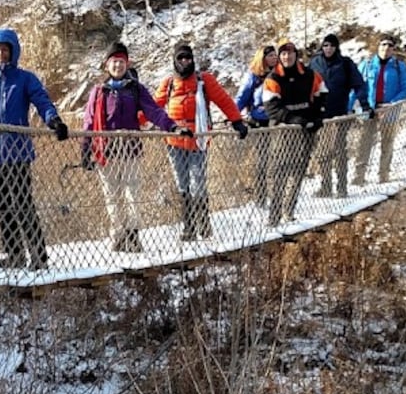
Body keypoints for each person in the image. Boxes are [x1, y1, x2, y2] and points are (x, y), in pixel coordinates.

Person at [0, 27, 68, 270]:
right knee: (3, 207)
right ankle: (14, 254)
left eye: (4, 50)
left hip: (18, 153)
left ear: (13, 53)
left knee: (24, 204)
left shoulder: (25, 79)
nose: (0, 54)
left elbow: (42, 102)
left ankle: (38, 256)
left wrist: (54, 120)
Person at [80, 42, 182, 253]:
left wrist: (171, 126)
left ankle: (133, 236)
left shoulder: (135, 89)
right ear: (107, 65)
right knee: (112, 196)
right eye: (114, 62)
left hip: (130, 150)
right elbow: (89, 122)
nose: (117, 66)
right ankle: (118, 237)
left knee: (132, 194)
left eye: (121, 62)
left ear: (127, 64)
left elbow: (153, 111)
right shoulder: (99, 92)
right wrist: (85, 148)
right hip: (106, 150)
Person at [154, 43, 248, 241]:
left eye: (188, 58)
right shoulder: (169, 83)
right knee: (182, 184)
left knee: (199, 182)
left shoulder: (204, 81)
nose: (185, 62)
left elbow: (223, 100)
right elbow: (153, 108)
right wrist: (131, 124)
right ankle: (189, 227)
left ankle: (204, 225)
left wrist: (237, 120)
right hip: (174, 139)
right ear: (174, 61)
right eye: (181, 58)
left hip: (199, 139)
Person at [261, 41, 324, 226]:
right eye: (283, 54)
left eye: (290, 53)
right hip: (283, 130)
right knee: (280, 171)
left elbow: (322, 92)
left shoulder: (309, 74)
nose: (287, 57)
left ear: (296, 55)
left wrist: (318, 115)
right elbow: (271, 107)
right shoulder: (273, 78)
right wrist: (292, 118)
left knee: (299, 170)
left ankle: (289, 211)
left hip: (306, 128)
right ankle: (274, 216)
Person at [307, 33, 371, 197]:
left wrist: (364, 104)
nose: (328, 49)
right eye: (326, 45)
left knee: (339, 150)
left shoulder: (345, 64)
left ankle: (342, 187)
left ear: (337, 48)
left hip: (340, 114)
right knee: (322, 152)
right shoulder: (315, 63)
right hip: (321, 115)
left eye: (332, 46)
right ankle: (326, 186)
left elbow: (359, 84)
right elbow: (306, 86)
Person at [355, 35, 406, 184]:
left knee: (387, 144)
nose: (386, 48)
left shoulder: (399, 67)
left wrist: (392, 104)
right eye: (383, 45)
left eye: (389, 45)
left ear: (393, 49)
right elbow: (357, 87)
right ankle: (359, 177)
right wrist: (349, 108)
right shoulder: (367, 65)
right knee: (364, 144)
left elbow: (405, 89)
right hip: (369, 110)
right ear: (378, 47)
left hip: (389, 111)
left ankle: (383, 175)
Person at [234, 44, 279, 208]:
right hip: (259, 121)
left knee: (279, 159)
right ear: (263, 58)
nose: (274, 58)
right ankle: (261, 196)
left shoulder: (281, 74)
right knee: (263, 160)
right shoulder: (254, 76)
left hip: (279, 121)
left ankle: (276, 194)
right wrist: (233, 116)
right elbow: (242, 96)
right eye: (270, 55)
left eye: (275, 55)